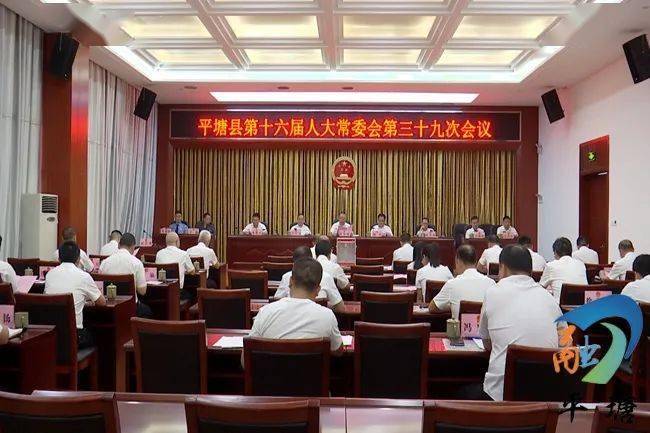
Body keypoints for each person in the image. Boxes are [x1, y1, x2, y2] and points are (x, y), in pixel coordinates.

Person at [479, 244, 566, 401]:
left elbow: (487, 343)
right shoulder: (549, 298)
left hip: (500, 397)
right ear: (530, 270)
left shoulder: (492, 293)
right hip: (546, 397)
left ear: (503, 268)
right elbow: (565, 344)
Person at [248, 257, 343, 354]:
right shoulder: (327, 316)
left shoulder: (265, 312)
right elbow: (338, 351)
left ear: (290, 282)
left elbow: (246, 358)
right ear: (318, 290)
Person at [45, 241, 106, 349]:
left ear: (59, 259)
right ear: (78, 259)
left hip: (52, 334)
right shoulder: (84, 276)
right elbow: (102, 303)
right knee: (99, 334)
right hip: (75, 336)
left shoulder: (49, 275)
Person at [429, 244, 495, 319]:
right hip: (485, 326)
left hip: (460, 327)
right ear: (476, 262)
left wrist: (452, 306)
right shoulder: (491, 283)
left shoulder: (452, 284)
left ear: (458, 261)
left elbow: (432, 308)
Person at [98, 233, 152, 318]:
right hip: (130, 309)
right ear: (133, 247)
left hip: (109, 310)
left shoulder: (104, 262)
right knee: (147, 311)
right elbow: (142, 291)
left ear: (119, 245)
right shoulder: (137, 263)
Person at [275, 246, 344, 312]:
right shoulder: (326, 277)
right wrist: (325, 307)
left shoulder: (286, 277)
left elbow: (276, 301)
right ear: (312, 259)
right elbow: (340, 308)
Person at [540, 237, 587, 301]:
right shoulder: (581, 264)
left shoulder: (551, 266)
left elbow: (541, 288)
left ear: (555, 252)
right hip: (583, 305)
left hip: (560, 306)